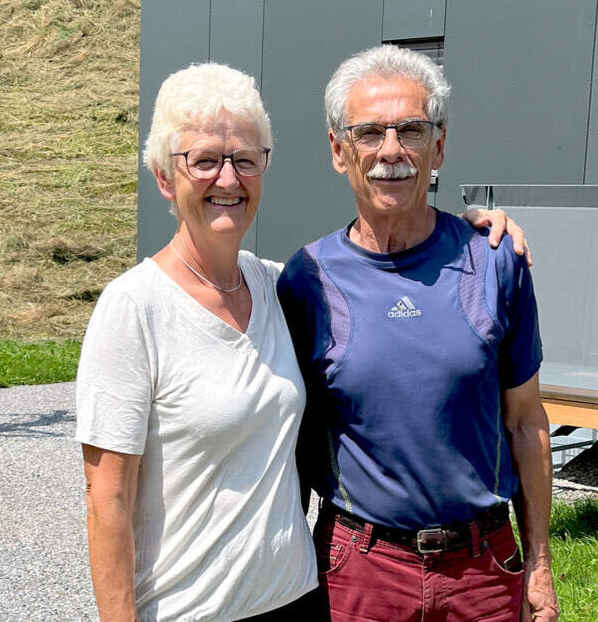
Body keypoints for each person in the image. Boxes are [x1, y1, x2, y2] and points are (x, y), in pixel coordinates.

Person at [75, 62, 523, 621]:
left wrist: (472, 232)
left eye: (244, 159)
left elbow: (388, 285)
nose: (228, 179)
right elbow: (106, 499)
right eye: (204, 161)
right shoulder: (134, 308)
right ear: (166, 177)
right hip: (188, 608)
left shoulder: (279, 284)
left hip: (295, 598)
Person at [277, 44, 560, 621]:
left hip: (483, 570)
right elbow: (294, 439)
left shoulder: (495, 261)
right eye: (368, 133)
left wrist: (539, 564)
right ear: (338, 150)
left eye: (410, 130)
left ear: (439, 146)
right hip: (360, 568)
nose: (391, 151)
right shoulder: (306, 280)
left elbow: (526, 421)